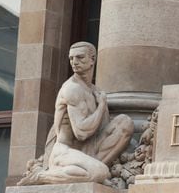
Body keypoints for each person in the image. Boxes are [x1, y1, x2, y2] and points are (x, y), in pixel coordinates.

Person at [18, 42, 134, 185]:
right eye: (71, 58)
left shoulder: (93, 90)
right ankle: (41, 176)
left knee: (125, 123)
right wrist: (102, 105)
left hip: (86, 149)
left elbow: (100, 128)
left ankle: (88, 170)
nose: (74, 62)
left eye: (80, 57)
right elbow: (81, 132)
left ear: (92, 59)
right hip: (64, 152)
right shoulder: (72, 89)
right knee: (100, 172)